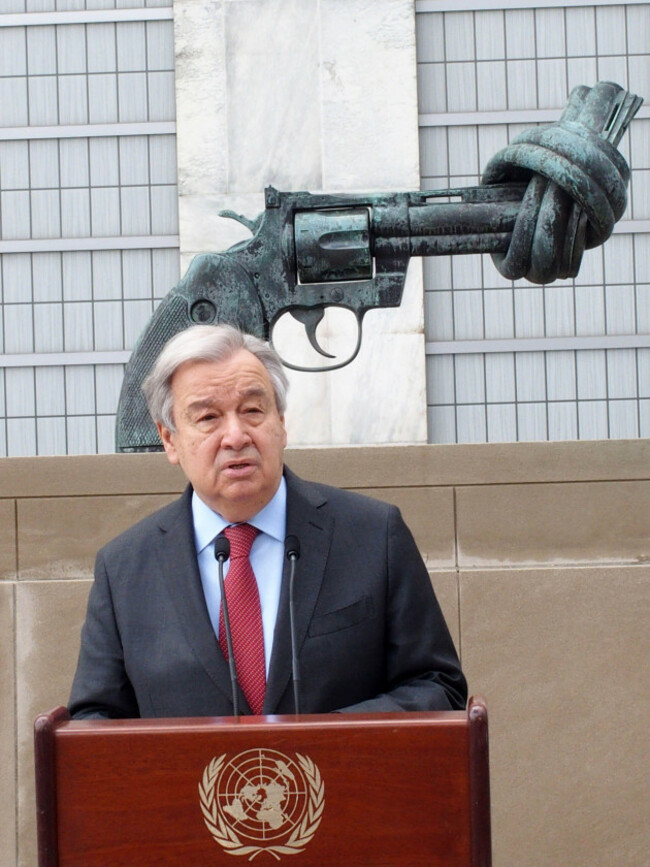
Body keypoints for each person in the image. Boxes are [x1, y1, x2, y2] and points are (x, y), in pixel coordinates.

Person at [69, 324, 467, 718]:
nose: (236, 436)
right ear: (169, 439)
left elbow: (437, 686)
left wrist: (332, 741)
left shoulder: (373, 534)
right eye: (208, 417)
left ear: (281, 422)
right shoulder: (123, 568)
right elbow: (94, 721)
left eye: (253, 410)